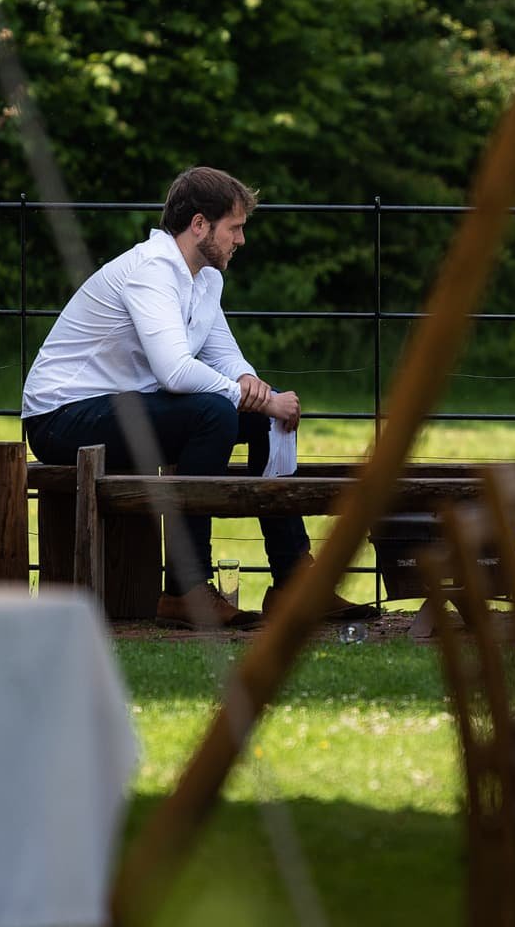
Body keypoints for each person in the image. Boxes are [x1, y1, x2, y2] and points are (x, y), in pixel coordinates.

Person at [21, 166, 374, 629]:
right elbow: (174, 372)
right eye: (235, 227)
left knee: (256, 420)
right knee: (213, 412)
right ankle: (185, 589)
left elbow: (224, 354)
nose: (241, 240)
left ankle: (294, 581)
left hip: (120, 406)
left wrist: (260, 391)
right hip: (61, 416)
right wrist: (257, 398)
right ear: (200, 225)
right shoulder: (152, 270)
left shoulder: (205, 278)